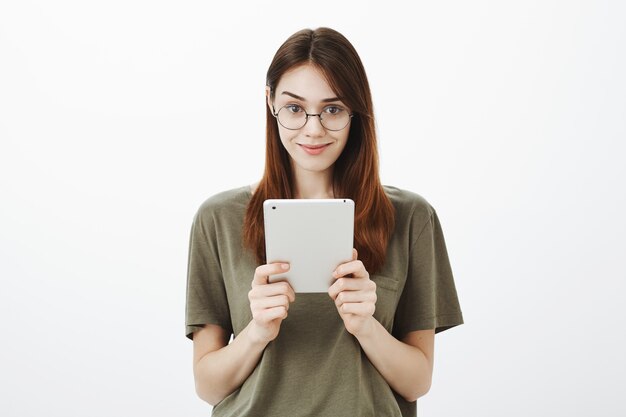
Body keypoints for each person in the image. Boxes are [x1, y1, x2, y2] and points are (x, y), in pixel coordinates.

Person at [185, 27, 464, 417]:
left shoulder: (412, 217)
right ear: (271, 103)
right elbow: (208, 386)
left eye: (332, 109)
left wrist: (366, 325)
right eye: (295, 108)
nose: (313, 129)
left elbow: (417, 382)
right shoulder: (217, 218)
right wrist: (257, 332)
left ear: (355, 111)